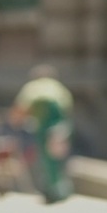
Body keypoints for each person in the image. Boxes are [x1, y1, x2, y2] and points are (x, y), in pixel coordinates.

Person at [10, 64, 75, 203]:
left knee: (46, 158)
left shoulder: (32, 87)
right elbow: (68, 108)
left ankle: (52, 190)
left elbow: (20, 108)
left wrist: (15, 123)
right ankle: (60, 189)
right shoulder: (58, 87)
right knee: (59, 158)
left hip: (45, 125)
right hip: (60, 125)